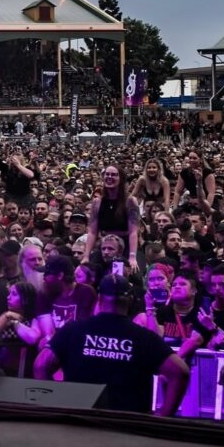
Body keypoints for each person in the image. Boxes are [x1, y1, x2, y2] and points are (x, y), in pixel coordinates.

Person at [35, 274, 189, 416]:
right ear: (130, 300)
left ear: (100, 299)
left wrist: (55, 405)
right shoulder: (144, 337)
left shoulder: (73, 330)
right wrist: (163, 416)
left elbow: (41, 365)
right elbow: (180, 372)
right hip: (128, 426)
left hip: (78, 419)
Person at [82, 165, 140, 273]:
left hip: (125, 246)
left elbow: (133, 232)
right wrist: (86, 256)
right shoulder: (97, 203)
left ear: (121, 179)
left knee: (120, 274)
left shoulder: (130, 201)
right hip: (105, 245)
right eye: (107, 174)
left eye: (114, 175)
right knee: (88, 272)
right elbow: (92, 232)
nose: (109, 177)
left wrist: (132, 257)